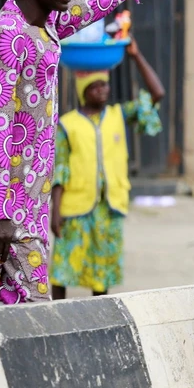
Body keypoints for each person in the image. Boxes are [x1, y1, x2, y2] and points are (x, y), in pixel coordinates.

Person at [0, 0, 182, 306]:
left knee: (7, 322)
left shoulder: (49, 23)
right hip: (6, 218)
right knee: (22, 320)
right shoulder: (7, 35)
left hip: (29, 211)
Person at [50, 38, 164, 299]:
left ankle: (100, 315)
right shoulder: (67, 125)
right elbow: (60, 170)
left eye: (105, 84)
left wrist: (135, 56)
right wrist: (55, 211)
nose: (103, 90)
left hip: (108, 207)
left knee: (102, 273)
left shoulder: (119, 115)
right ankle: (54, 313)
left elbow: (157, 94)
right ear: (84, 90)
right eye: (96, 86)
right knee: (63, 269)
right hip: (75, 208)